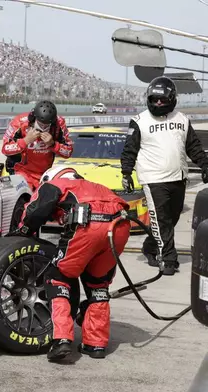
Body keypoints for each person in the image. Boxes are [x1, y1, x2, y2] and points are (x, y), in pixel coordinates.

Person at [16, 165, 131, 361]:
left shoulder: (55, 184)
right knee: (98, 285)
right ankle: (95, 345)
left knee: (57, 278)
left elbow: (35, 212)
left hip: (87, 225)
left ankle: (61, 339)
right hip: (119, 228)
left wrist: (22, 231)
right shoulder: (97, 186)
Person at [120, 76, 208, 276]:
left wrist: (204, 164)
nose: (158, 103)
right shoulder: (139, 121)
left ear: (172, 99)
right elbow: (129, 150)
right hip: (153, 180)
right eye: (154, 99)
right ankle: (168, 258)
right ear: (149, 99)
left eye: (162, 99)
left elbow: (193, 146)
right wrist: (126, 172)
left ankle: (151, 246)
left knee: (172, 217)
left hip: (178, 177)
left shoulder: (182, 119)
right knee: (161, 220)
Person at [1, 100, 74, 191]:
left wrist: (53, 144)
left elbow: (69, 151)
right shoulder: (19, 122)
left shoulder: (60, 123)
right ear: (33, 118)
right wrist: (25, 141)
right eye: (40, 124)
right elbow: (5, 148)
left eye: (47, 125)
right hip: (22, 172)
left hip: (45, 174)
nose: (43, 128)